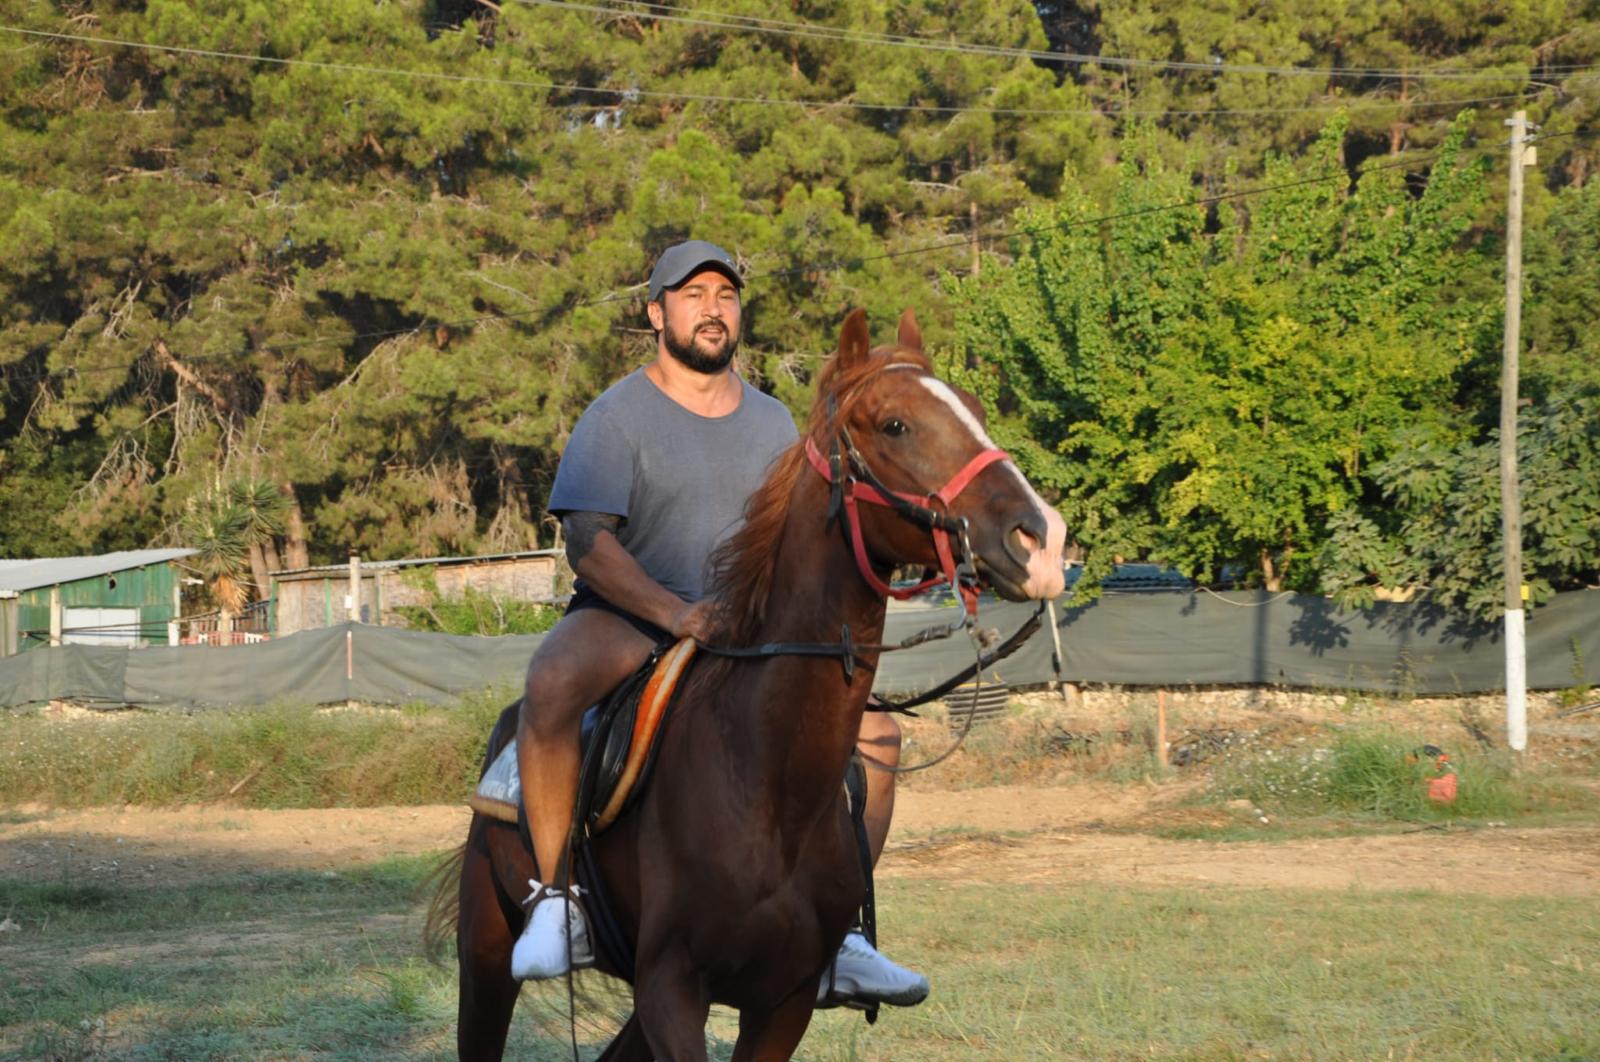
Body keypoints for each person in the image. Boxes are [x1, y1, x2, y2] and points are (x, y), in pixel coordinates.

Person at [511, 240, 928, 1007]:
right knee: (553, 681)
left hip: (751, 635)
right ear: (655, 312)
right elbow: (588, 544)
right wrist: (676, 613)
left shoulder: (774, 421)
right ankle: (554, 901)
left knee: (877, 736)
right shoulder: (616, 416)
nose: (713, 308)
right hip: (631, 616)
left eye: (726, 295)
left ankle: (844, 935)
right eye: (693, 293)